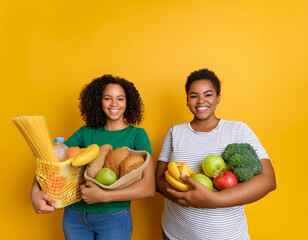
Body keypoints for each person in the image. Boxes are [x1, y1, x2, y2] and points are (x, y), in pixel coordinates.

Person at [30, 74, 155, 240]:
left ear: (128, 102)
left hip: (114, 217)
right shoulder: (85, 132)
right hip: (75, 216)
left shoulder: (137, 135)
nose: (114, 104)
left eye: (120, 98)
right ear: (99, 101)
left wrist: (105, 196)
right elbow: (54, 161)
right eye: (107, 98)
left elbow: (148, 187)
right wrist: (34, 191)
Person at [155, 69, 276, 240]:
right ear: (187, 100)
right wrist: (183, 197)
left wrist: (213, 200)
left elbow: (268, 180)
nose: (201, 101)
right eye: (194, 95)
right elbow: (158, 179)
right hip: (175, 234)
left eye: (208, 94)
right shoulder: (175, 132)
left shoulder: (238, 130)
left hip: (228, 235)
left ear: (218, 98)